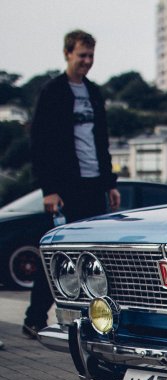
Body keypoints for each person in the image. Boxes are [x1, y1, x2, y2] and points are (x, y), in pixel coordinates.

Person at [22, 30, 120, 339]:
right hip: (66, 186)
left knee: (93, 255)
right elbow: (40, 142)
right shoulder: (53, 91)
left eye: (91, 56)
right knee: (57, 252)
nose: (87, 61)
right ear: (67, 54)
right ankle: (35, 317)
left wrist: (109, 183)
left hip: (94, 184)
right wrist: (48, 189)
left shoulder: (93, 92)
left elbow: (102, 140)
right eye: (82, 55)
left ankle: (92, 319)